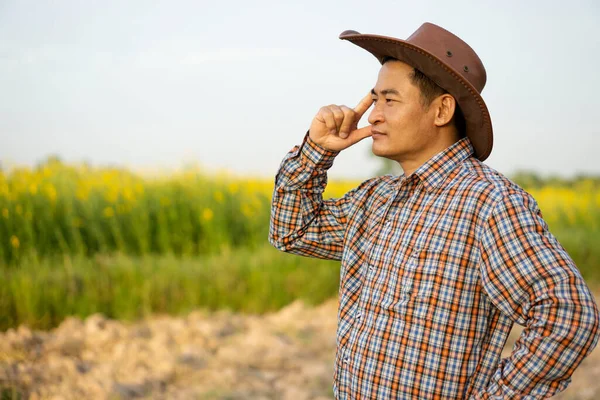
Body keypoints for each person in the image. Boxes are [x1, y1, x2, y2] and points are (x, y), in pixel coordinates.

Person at [268, 22, 600, 399]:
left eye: (389, 100)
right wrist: (317, 149)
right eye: (374, 99)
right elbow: (291, 231)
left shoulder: (488, 202)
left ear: (442, 110)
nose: (372, 115)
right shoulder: (376, 198)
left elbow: (568, 317)